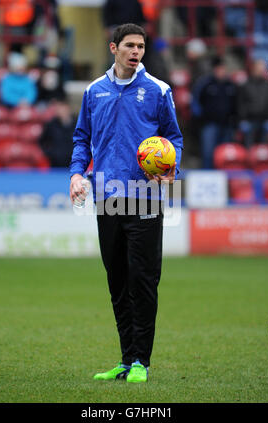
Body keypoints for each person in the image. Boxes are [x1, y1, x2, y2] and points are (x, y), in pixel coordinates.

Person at [69, 23, 183, 383]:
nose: (137, 52)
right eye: (130, 46)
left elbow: (174, 138)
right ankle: (125, 358)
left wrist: (171, 169)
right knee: (117, 279)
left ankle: (141, 363)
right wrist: (76, 173)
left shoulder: (158, 90)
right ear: (113, 48)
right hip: (106, 197)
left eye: (141, 46)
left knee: (143, 280)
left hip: (146, 195)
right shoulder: (93, 91)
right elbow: (81, 139)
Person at [191, 55, 237, 169]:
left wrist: (234, 119)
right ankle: (207, 177)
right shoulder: (205, 84)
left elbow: (237, 104)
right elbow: (195, 102)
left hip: (227, 125)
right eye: (218, 68)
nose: (221, 71)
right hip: (210, 124)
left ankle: (225, 178)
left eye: (223, 68)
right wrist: (201, 118)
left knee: (226, 155)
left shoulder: (231, 85)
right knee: (208, 153)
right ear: (214, 69)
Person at [237, 59, 268, 147]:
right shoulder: (245, 85)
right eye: (261, 68)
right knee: (249, 148)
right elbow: (241, 104)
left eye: (264, 69)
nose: (263, 71)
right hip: (250, 121)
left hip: (265, 121)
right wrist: (243, 119)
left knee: (265, 150)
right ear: (254, 69)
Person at [39, 97, 75, 167]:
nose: (61, 111)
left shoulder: (78, 124)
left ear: (68, 108)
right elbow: (42, 141)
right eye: (59, 109)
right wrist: (50, 153)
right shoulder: (51, 125)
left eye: (63, 108)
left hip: (74, 163)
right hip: (56, 163)